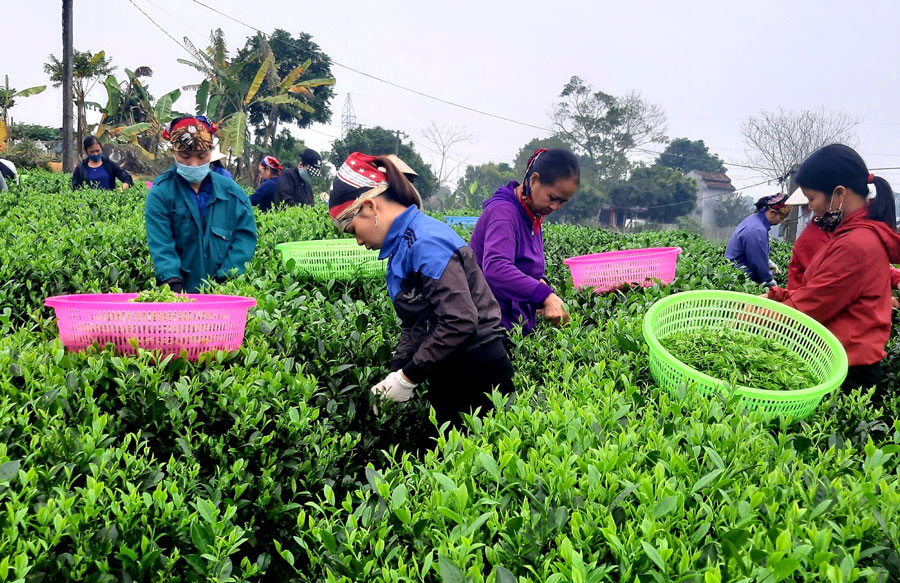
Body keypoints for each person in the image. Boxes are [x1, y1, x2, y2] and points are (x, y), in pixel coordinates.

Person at [329, 152, 513, 426]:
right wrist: (397, 370)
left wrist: (408, 376)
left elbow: (459, 322)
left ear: (369, 207)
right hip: (451, 366)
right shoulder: (403, 244)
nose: (357, 240)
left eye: (353, 229)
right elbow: (415, 323)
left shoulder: (425, 242)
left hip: (477, 369)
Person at [767, 144, 900, 391]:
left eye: (812, 198)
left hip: (850, 374)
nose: (810, 207)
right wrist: (776, 296)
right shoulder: (851, 235)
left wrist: (746, 318)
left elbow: (810, 308)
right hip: (842, 362)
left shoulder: (857, 244)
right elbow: (822, 291)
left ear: (839, 194)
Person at [469, 148, 579, 336]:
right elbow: (496, 268)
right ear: (534, 180)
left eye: (562, 202)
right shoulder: (503, 214)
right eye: (552, 198)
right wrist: (545, 296)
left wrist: (542, 285)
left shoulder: (531, 214)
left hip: (515, 327)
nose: (555, 207)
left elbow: (528, 268)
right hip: (491, 330)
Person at [145, 116, 257, 293]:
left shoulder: (233, 194)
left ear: (211, 151)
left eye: (202, 155)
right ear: (173, 152)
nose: (194, 164)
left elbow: (244, 240)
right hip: (179, 295)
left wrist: (226, 281)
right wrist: (173, 284)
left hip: (224, 295)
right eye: (185, 156)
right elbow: (161, 245)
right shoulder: (161, 193)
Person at [724, 193, 791, 287]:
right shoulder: (757, 230)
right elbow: (757, 265)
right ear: (772, 213)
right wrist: (770, 282)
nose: (781, 222)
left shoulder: (754, 220)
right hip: (739, 279)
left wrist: (767, 263)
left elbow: (754, 254)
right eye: (781, 218)